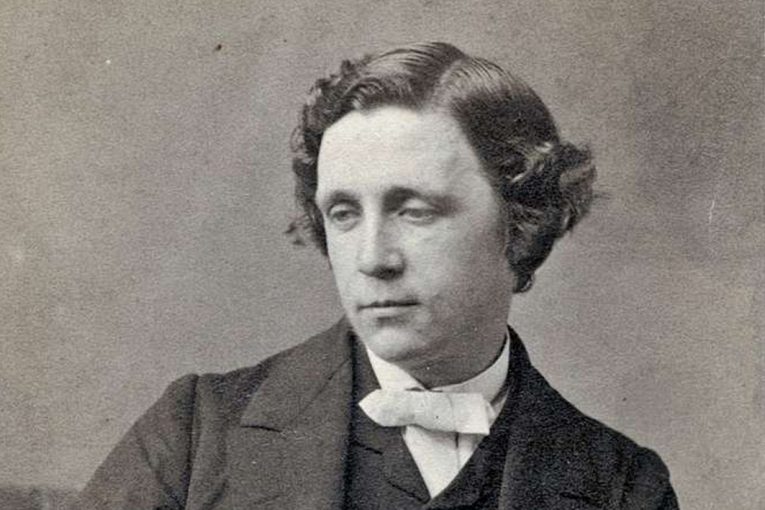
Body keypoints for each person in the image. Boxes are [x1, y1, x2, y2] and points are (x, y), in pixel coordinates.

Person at [75, 42, 678, 509]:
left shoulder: (622, 486)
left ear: (519, 221)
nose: (372, 258)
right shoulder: (196, 436)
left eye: (414, 211)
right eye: (343, 213)